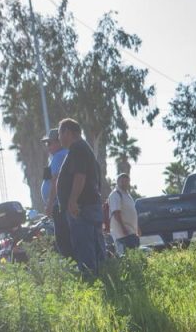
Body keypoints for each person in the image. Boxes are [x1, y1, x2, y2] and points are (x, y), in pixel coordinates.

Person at [55, 118, 105, 277]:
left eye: (59, 134)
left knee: (84, 246)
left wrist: (72, 200)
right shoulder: (85, 148)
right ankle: (103, 277)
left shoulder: (77, 148)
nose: (59, 138)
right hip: (89, 205)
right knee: (95, 245)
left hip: (81, 207)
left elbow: (80, 176)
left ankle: (91, 280)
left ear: (67, 132)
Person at [41, 128, 72, 257]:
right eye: (46, 143)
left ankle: (72, 264)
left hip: (58, 205)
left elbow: (55, 180)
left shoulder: (59, 156)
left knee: (63, 239)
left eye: (50, 143)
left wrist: (49, 204)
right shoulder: (59, 156)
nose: (47, 146)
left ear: (58, 142)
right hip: (61, 204)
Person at [107, 173, 140, 254]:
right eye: (122, 181)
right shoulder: (115, 194)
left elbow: (132, 213)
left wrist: (137, 228)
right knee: (125, 256)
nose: (124, 183)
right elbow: (116, 213)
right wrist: (123, 229)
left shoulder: (127, 195)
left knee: (134, 256)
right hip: (122, 234)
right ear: (118, 182)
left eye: (126, 181)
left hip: (131, 232)